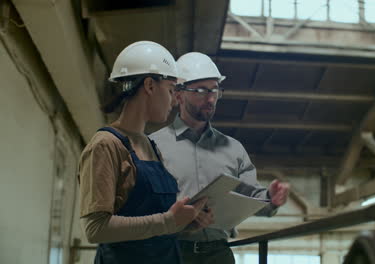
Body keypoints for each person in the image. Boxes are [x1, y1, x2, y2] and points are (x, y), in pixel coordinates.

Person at [149, 52, 290, 264]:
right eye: (201, 91)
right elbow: (141, 204)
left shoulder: (233, 149)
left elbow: (251, 197)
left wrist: (270, 198)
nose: (211, 98)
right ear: (178, 95)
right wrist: (181, 217)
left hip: (219, 255)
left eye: (215, 90)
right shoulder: (153, 145)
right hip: (170, 252)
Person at [78, 41, 208, 264]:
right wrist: (168, 221)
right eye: (170, 90)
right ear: (149, 85)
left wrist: (186, 223)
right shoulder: (106, 145)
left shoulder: (152, 146)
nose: (174, 102)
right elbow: (95, 228)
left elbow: (153, 227)